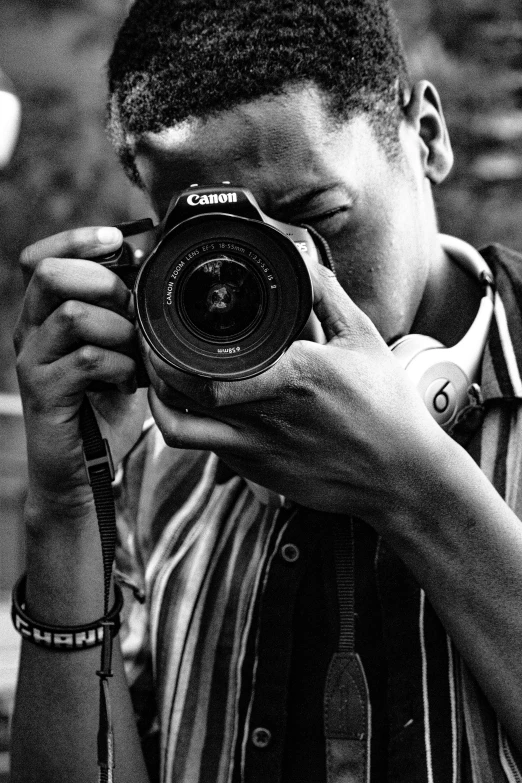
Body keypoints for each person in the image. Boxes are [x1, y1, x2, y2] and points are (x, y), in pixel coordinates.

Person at [9, 0, 522, 781]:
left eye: (314, 218)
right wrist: (65, 513)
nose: (283, 283)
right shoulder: (158, 450)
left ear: (425, 136)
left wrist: (418, 491)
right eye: (222, 251)